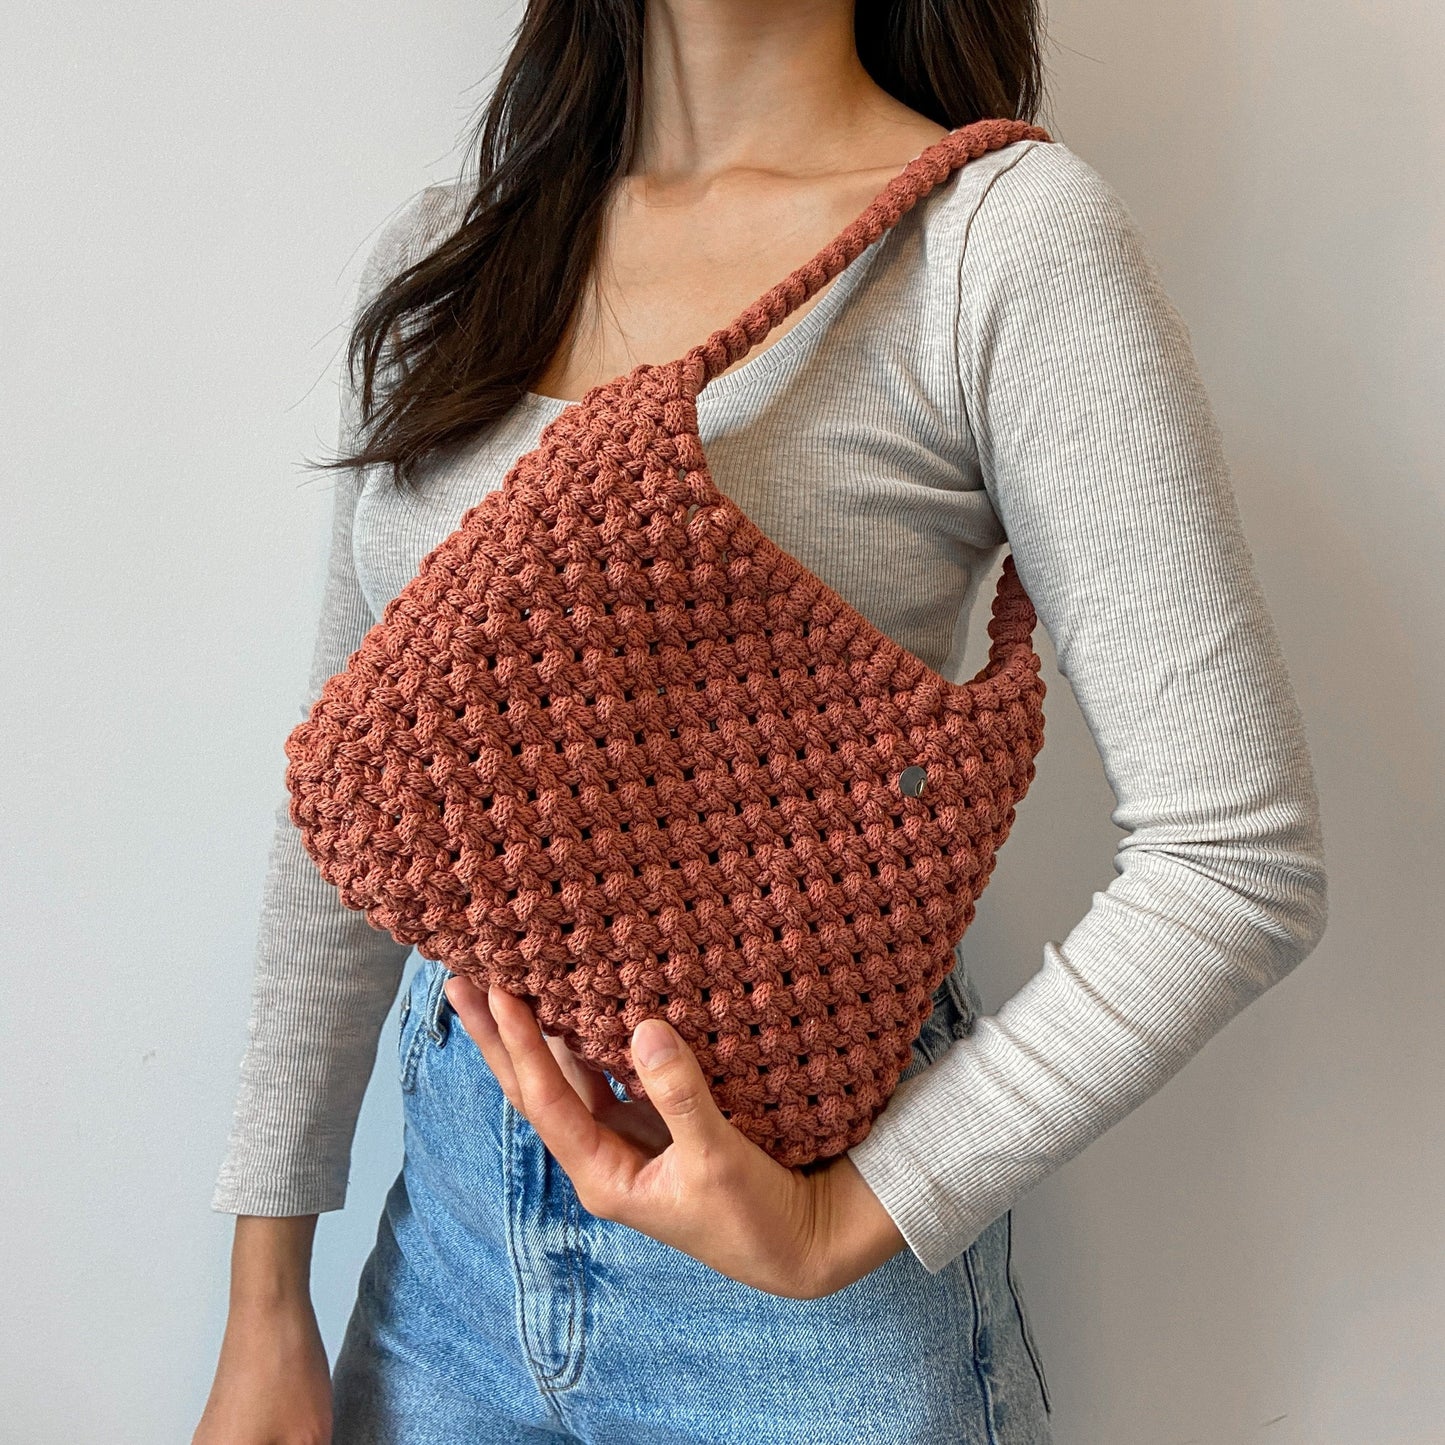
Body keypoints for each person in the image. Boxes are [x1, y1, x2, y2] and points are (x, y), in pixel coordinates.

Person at [193, 2, 1328, 1441]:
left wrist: (843, 1221)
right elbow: (343, 804)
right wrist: (266, 1292)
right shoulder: (451, 252)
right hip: (448, 1278)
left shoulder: (997, 239)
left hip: (801, 1318)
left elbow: (1237, 862)